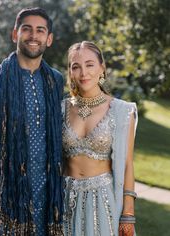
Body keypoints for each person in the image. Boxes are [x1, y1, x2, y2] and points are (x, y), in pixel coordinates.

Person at [0, 7, 64, 236]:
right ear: (14, 34)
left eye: (40, 31)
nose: (33, 36)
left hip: (49, 204)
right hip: (5, 205)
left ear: (48, 39)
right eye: (26, 29)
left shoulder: (55, 82)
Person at [62, 41, 138, 236]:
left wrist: (128, 214)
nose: (83, 73)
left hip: (104, 202)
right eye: (76, 66)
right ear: (70, 72)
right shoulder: (60, 109)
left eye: (90, 64)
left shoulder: (122, 111)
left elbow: (128, 163)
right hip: (64, 201)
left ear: (101, 68)